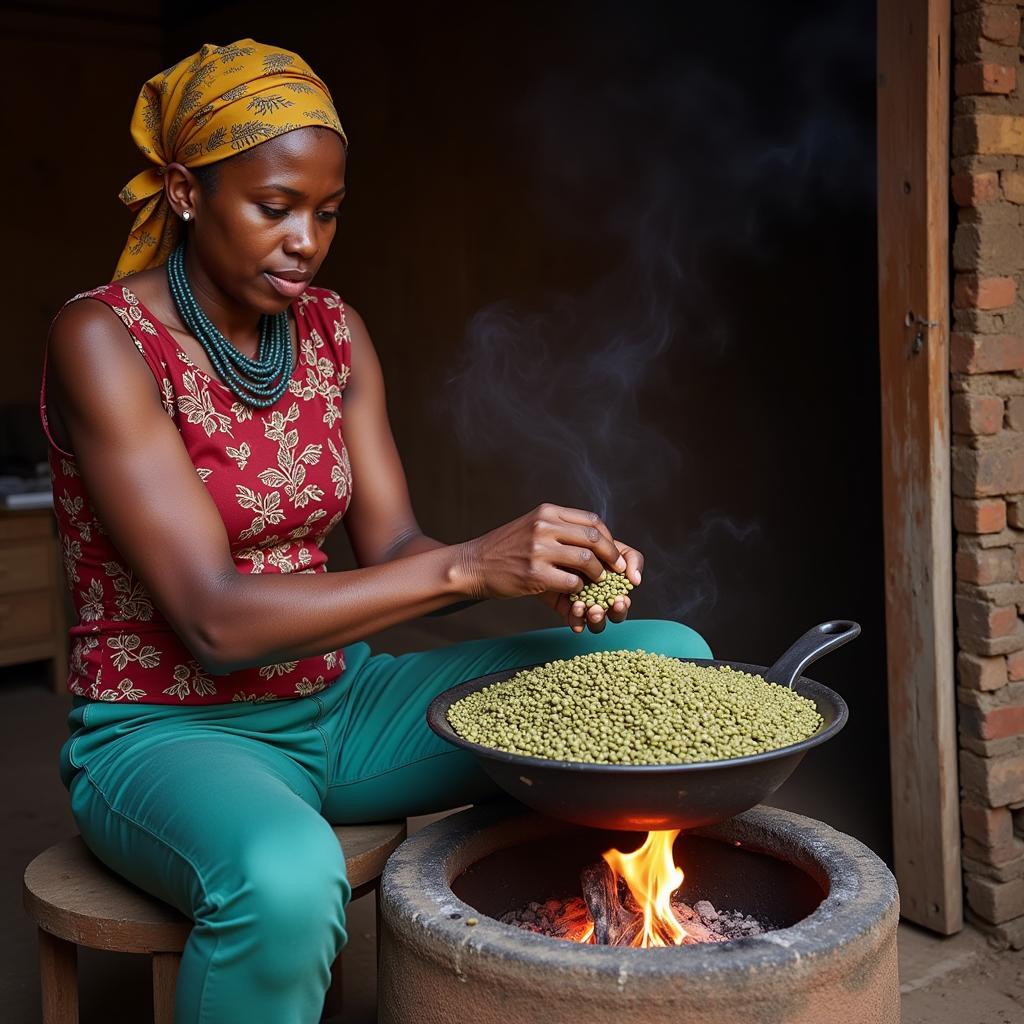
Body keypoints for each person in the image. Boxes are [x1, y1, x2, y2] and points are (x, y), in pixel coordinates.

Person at [40, 39, 712, 1023]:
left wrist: (532, 572)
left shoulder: (334, 333)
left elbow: (395, 545)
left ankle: (546, 966)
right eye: (273, 207)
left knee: (665, 668)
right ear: (185, 191)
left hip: (343, 709)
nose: (304, 239)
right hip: (165, 732)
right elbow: (214, 620)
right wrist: (473, 566)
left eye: (326, 211)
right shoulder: (102, 341)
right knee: (283, 878)